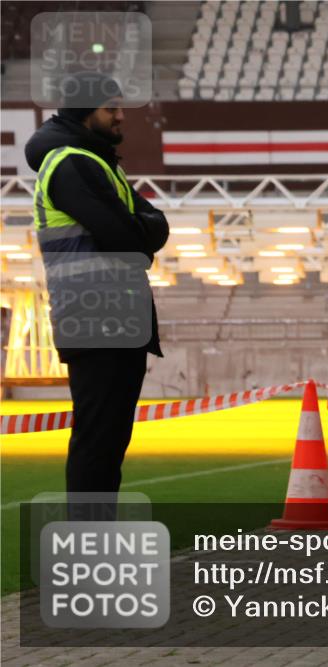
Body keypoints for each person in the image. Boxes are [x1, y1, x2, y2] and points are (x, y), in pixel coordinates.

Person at [25, 72, 169, 505]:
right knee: (97, 444)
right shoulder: (73, 164)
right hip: (95, 319)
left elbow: (153, 227)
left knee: (106, 445)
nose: (122, 116)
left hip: (111, 319)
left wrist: (142, 236)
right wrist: (142, 238)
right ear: (85, 112)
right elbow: (128, 238)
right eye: (112, 108)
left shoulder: (94, 161)